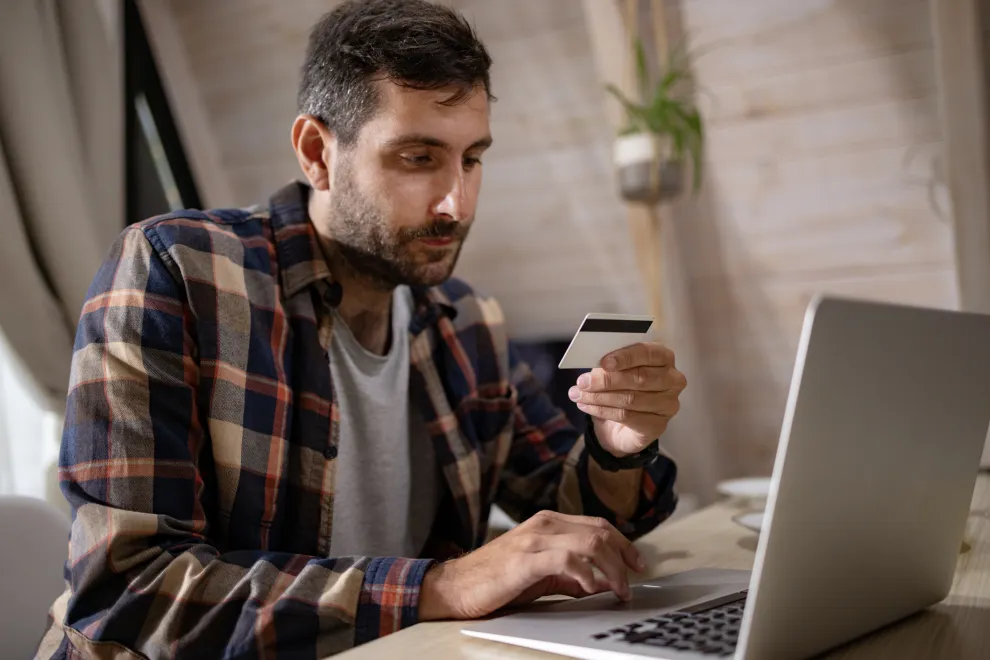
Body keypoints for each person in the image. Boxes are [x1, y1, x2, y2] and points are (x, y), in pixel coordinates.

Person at [36, 0, 686, 657]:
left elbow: (581, 526)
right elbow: (131, 593)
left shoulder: (467, 324)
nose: (456, 203)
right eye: (417, 158)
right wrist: (444, 585)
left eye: (472, 159)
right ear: (318, 153)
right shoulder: (177, 272)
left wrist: (616, 446)